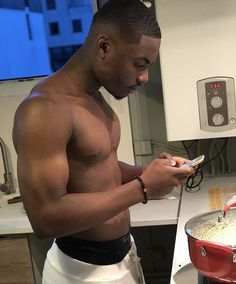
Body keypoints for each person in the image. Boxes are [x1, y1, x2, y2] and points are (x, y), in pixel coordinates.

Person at [12, 0, 194, 283]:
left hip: (123, 258)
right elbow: (45, 218)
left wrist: (143, 172)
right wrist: (143, 188)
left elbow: (97, 165)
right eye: (140, 64)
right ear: (104, 46)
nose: (144, 77)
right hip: (81, 272)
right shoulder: (44, 109)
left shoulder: (93, 97)